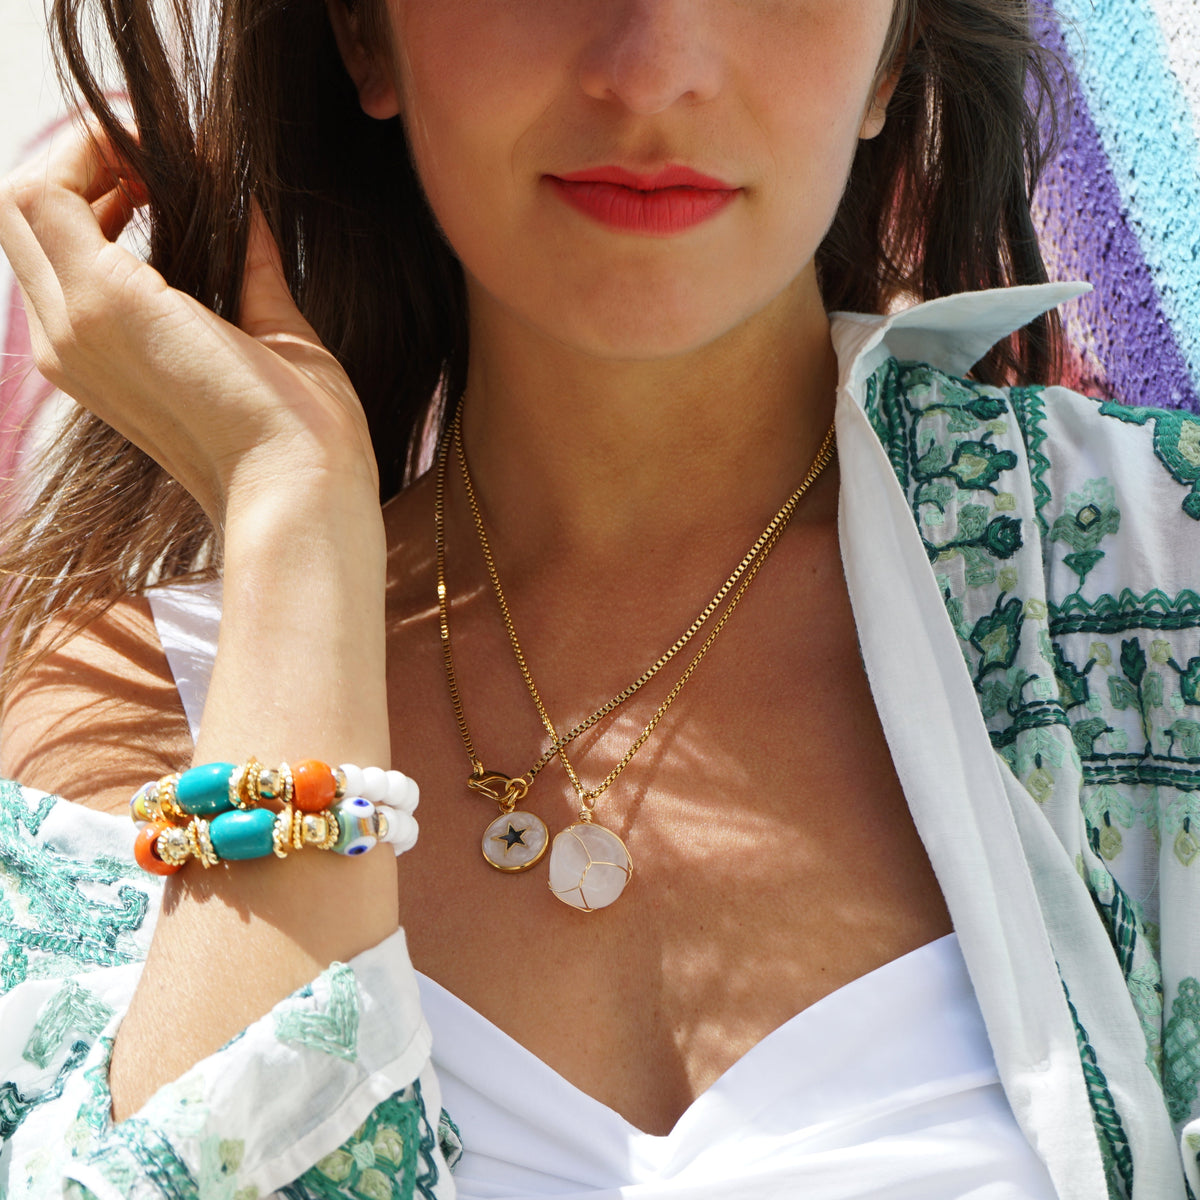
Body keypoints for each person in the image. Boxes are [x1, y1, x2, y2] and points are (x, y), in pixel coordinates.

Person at [0, 0, 1196, 1196]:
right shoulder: (133, 716)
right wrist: (291, 527)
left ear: (892, 52)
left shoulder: (1148, 575)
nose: (652, 70)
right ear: (367, 33)